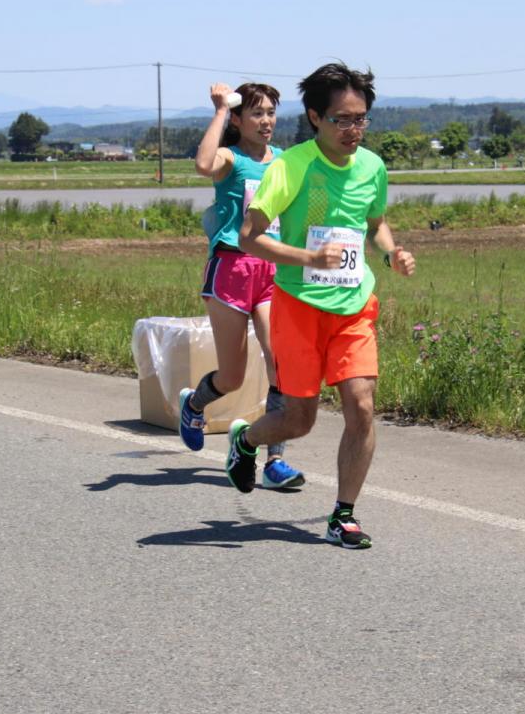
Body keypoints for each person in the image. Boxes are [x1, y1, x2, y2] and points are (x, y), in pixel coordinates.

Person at [227, 63, 416, 549]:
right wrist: (309, 258)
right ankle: (246, 440)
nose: (354, 129)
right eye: (341, 120)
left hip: (354, 305)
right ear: (315, 117)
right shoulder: (291, 167)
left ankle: (343, 515)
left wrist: (391, 253)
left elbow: (375, 223)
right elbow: (249, 237)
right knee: (299, 420)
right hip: (299, 306)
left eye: (361, 119)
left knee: (362, 406)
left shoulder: (372, 167)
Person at [177, 82, 304, 490]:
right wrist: (218, 109)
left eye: (271, 112)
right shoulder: (230, 158)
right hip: (231, 270)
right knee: (232, 377)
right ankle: (195, 404)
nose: (266, 121)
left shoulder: (284, 161)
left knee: (280, 360)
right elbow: (203, 164)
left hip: (272, 271)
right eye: (256, 113)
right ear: (237, 119)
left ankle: (274, 461)